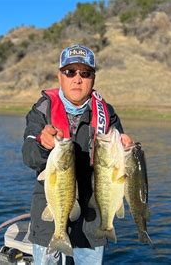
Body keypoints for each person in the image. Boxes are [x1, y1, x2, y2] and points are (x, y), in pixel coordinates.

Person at [21, 44, 134, 265]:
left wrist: (127, 153)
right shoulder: (42, 110)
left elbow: (118, 168)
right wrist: (43, 146)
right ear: (59, 76)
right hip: (50, 216)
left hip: (92, 219)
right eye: (70, 72)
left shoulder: (106, 114)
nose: (77, 79)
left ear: (93, 78)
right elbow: (28, 156)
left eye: (85, 73)